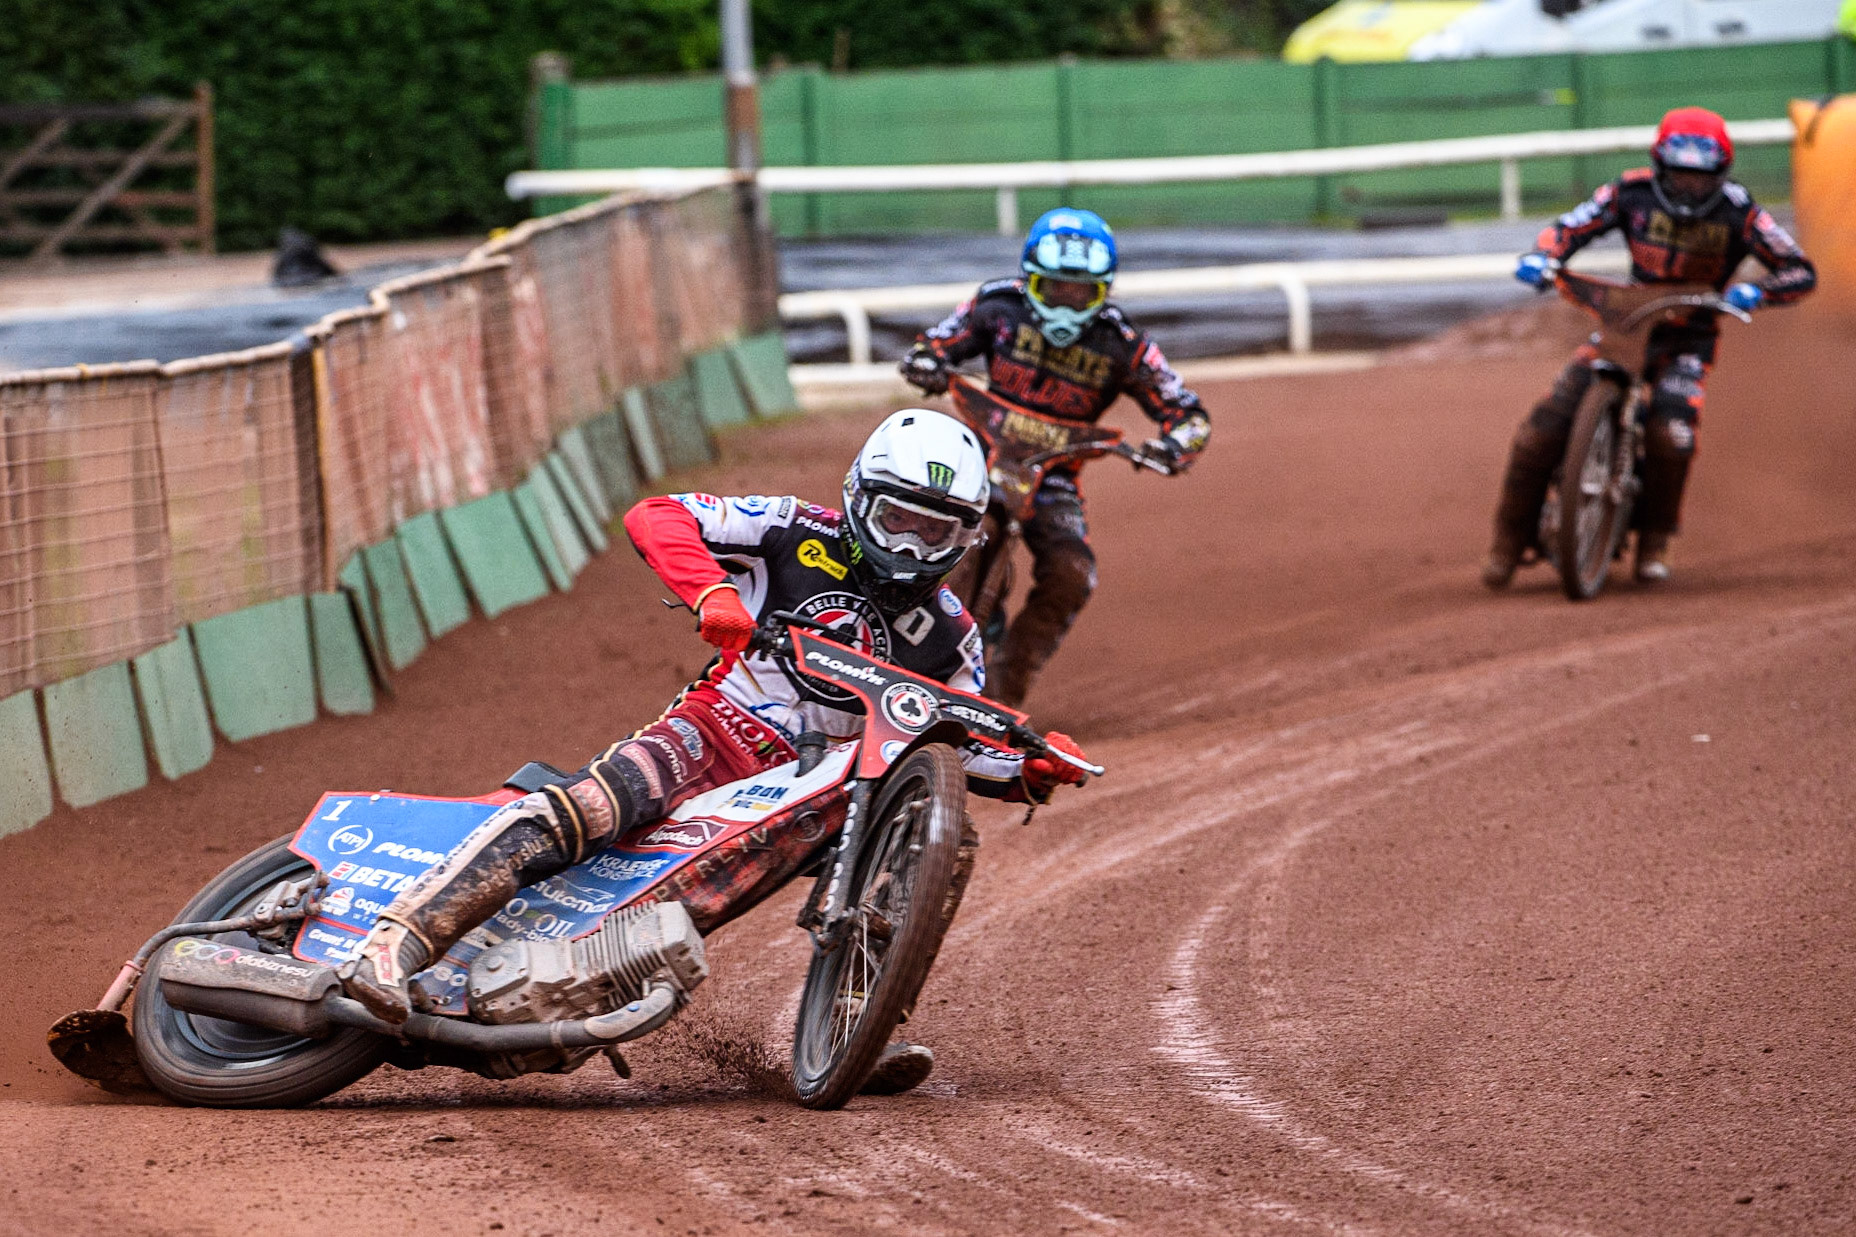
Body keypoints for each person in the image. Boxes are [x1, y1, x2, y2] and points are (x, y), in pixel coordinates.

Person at [339, 409, 1093, 1094]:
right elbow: (658, 515)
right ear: (861, 497)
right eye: (897, 517)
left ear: (965, 537)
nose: (908, 544)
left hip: (824, 796)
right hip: (716, 732)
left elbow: (963, 746)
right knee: (594, 805)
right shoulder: (793, 528)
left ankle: (865, 1014)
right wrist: (711, 593)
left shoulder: (953, 635)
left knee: (943, 831)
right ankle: (394, 944)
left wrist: (1029, 766)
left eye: (934, 531)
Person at [1482, 106, 1816, 589]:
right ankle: (1507, 543)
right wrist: (1543, 256)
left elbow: (1799, 270)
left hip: (1690, 336)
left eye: (1700, 177)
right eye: (1679, 174)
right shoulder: (1629, 193)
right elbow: (1572, 226)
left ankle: (1654, 540)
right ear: (1661, 166)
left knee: (1671, 433)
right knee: (1541, 430)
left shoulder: (1740, 213)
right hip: (1627, 325)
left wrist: (1756, 292)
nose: (1689, 186)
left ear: (1720, 171)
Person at [899, 207, 1211, 706]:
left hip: (1055, 478)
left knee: (1073, 573)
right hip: (978, 456)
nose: (1067, 304)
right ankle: (902, 636)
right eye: (1055, 289)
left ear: (1104, 291)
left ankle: (1008, 684)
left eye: (1081, 292)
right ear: (1030, 281)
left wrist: (1175, 445)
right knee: (950, 530)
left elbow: (1187, 411)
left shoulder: (1122, 344)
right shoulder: (996, 305)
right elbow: (935, 343)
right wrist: (928, 363)